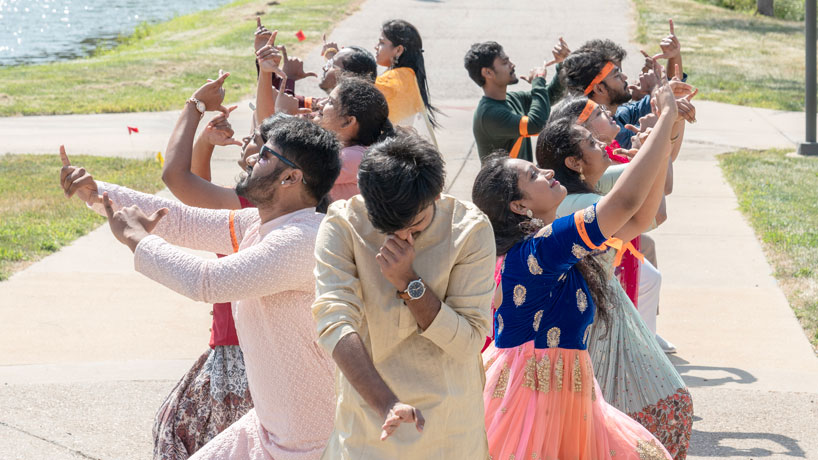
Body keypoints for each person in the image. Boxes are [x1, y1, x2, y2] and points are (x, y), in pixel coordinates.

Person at [59, 76, 342, 459]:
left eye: (263, 156)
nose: (250, 158)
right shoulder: (259, 223)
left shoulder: (299, 241)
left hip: (307, 444)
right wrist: (96, 195)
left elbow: (206, 282)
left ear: (291, 178)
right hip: (269, 429)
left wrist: (138, 241)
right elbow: (181, 219)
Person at [471, 75, 679, 460]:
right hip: (532, 400)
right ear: (520, 207)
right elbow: (627, 201)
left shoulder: (543, 242)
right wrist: (665, 117)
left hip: (559, 393)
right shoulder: (544, 246)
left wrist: (664, 135)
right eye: (534, 175)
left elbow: (639, 216)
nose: (546, 171)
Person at [312, 133, 496, 459]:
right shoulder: (344, 223)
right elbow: (334, 320)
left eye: (416, 226)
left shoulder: (469, 229)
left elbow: (468, 341)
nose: (401, 238)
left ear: (437, 195)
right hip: (370, 426)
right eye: (387, 228)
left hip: (447, 429)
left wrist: (409, 282)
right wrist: (386, 404)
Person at [536, 100, 693, 458]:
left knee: (619, 420)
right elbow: (637, 211)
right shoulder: (575, 204)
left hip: (603, 317)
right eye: (591, 143)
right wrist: (662, 129)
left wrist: (660, 138)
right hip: (593, 326)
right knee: (625, 419)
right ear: (574, 163)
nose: (601, 144)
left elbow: (646, 214)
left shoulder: (587, 190)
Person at [465, 39, 568, 163]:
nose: (512, 65)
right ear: (488, 72)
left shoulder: (512, 99)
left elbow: (550, 96)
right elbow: (536, 124)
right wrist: (538, 81)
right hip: (507, 182)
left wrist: (563, 63)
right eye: (505, 62)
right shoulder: (489, 114)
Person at [312, 75, 395, 201]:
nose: (320, 104)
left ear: (348, 121)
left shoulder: (353, 158)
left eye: (330, 102)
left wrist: (282, 112)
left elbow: (296, 169)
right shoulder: (349, 151)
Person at [373, 19, 439, 145]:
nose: (376, 47)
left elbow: (354, 95)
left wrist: (336, 63)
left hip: (391, 150)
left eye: (382, 42)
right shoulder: (408, 75)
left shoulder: (391, 80)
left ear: (398, 50)